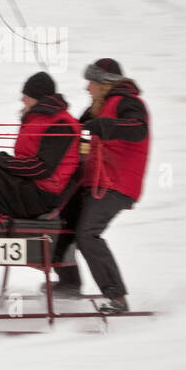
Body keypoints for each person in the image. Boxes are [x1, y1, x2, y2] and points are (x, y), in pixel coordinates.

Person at [56, 59, 149, 313]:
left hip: (117, 184)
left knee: (88, 235)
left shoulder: (129, 102)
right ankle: (69, 285)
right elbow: (75, 126)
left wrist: (107, 126)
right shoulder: (102, 106)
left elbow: (138, 129)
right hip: (98, 181)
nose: (87, 88)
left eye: (91, 83)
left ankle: (117, 298)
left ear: (103, 84)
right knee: (63, 224)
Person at [0, 71, 81, 219]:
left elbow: (41, 168)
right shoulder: (38, 120)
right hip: (29, 187)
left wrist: (5, 163)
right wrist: (5, 161)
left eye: (26, 95)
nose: (22, 99)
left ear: (38, 98)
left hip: (41, 196)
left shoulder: (61, 124)